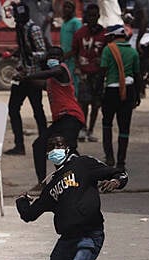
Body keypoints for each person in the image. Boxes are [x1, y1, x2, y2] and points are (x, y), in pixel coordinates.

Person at [14, 46, 86, 191]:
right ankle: (42, 183)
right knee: (40, 145)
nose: (52, 59)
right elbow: (40, 83)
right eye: (50, 56)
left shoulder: (62, 70)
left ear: (61, 59)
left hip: (71, 116)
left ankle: (85, 178)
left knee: (67, 150)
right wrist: (24, 77)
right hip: (61, 119)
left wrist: (28, 76)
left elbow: (49, 73)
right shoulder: (52, 80)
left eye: (55, 56)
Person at [4, 2, 48, 156]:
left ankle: (45, 143)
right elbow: (23, 51)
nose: (16, 19)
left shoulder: (33, 29)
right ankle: (19, 145)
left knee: (37, 110)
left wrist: (30, 54)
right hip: (22, 76)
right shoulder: (20, 28)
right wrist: (18, 54)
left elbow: (43, 52)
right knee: (13, 108)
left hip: (33, 76)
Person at [100, 24, 141, 170]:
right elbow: (137, 75)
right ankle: (121, 162)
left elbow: (102, 72)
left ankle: (109, 157)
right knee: (124, 128)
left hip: (111, 91)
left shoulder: (107, 49)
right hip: (128, 90)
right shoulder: (133, 52)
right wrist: (138, 94)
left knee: (107, 124)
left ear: (112, 36)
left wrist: (98, 93)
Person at [70, 3, 107, 142]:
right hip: (84, 73)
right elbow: (75, 51)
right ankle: (82, 128)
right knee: (83, 103)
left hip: (98, 74)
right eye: (89, 15)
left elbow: (107, 52)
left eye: (94, 15)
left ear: (98, 16)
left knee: (96, 104)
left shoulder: (104, 34)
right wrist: (77, 67)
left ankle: (90, 130)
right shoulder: (80, 33)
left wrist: (102, 62)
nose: (92, 18)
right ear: (86, 16)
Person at [60, 0, 82, 95]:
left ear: (73, 10)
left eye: (69, 7)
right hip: (65, 59)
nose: (66, 9)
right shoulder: (64, 23)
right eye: (65, 7)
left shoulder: (75, 22)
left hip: (73, 58)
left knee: (75, 82)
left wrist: (72, 53)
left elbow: (79, 41)